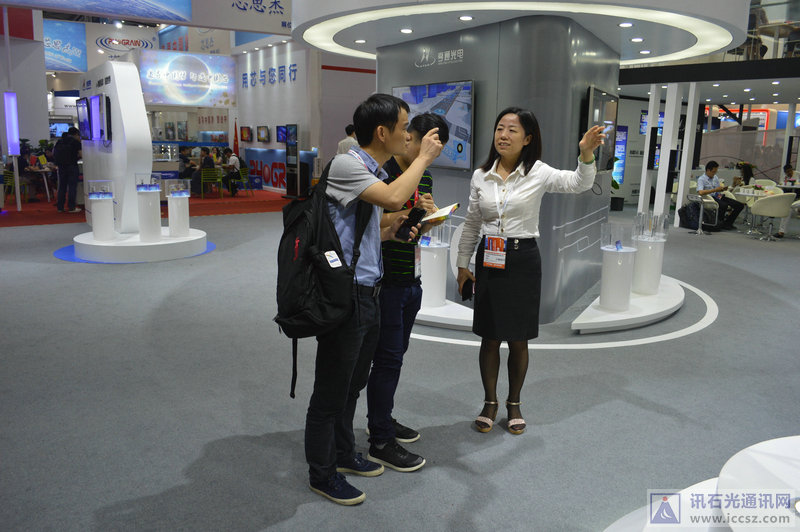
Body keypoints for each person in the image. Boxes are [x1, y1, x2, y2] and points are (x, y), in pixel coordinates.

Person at [304, 93, 442, 506]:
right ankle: (322, 474)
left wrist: (393, 229)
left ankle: (344, 453)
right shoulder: (347, 164)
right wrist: (424, 159)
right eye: (403, 127)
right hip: (345, 294)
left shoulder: (371, 169)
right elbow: (395, 198)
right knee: (331, 390)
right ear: (382, 132)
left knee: (352, 384)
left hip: (369, 291)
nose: (408, 135)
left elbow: (365, 231)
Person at [456, 107, 604, 435]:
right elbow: (472, 222)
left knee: (518, 338)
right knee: (490, 336)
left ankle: (514, 403)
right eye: (500, 128)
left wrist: (585, 154)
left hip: (523, 260)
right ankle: (490, 402)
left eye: (512, 130)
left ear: (527, 138)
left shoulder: (538, 172)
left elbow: (579, 183)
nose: (503, 135)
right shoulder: (481, 175)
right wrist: (462, 264)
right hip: (489, 258)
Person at [365, 113, 449, 473]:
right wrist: (410, 211)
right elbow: (374, 220)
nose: (428, 152)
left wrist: (431, 216)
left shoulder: (424, 174)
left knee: (396, 356)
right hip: (385, 280)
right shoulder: (382, 172)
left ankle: (382, 419)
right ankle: (380, 439)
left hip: (411, 278)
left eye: (437, 147)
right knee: (386, 360)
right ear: (409, 137)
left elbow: (415, 224)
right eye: (424, 142)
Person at [697, 160, 744, 230]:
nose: (714, 174)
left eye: (716, 172)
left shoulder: (715, 177)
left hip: (718, 196)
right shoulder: (701, 179)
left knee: (739, 205)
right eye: (713, 172)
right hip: (710, 197)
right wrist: (715, 190)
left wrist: (722, 189)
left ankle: (727, 223)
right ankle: (719, 224)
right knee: (723, 205)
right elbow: (700, 192)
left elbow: (717, 189)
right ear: (708, 170)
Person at [53, 128, 82, 213]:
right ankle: (71, 207)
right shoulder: (76, 142)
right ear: (76, 134)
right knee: (72, 187)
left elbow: (54, 153)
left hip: (61, 167)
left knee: (62, 187)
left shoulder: (60, 141)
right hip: (72, 166)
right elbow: (81, 154)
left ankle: (60, 207)